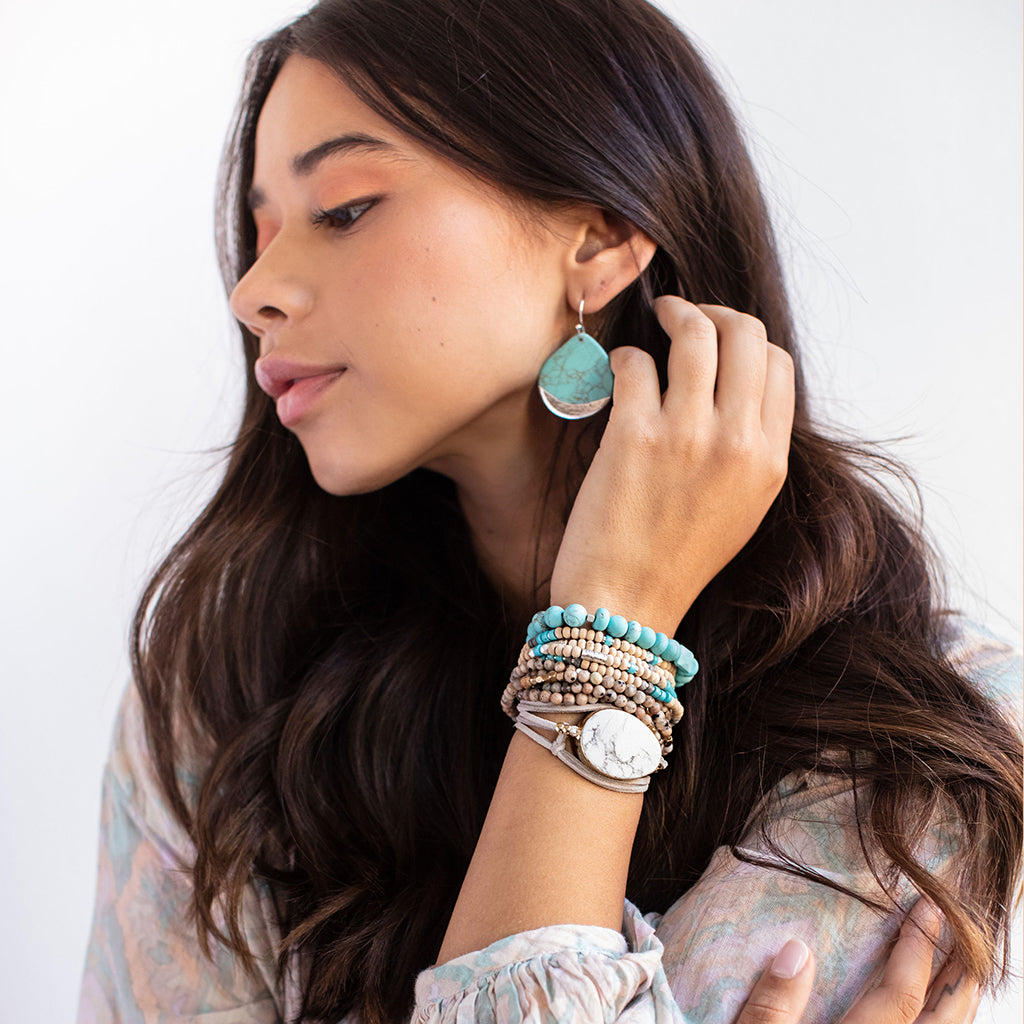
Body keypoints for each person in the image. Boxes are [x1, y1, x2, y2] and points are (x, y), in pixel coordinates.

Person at [75, 1, 1022, 1022]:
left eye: (344, 207)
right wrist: (615, 629)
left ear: (602, 236)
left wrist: (606, 631)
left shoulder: (911, 737)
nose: (251, 289)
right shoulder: (220, 693)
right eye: (257, 234)